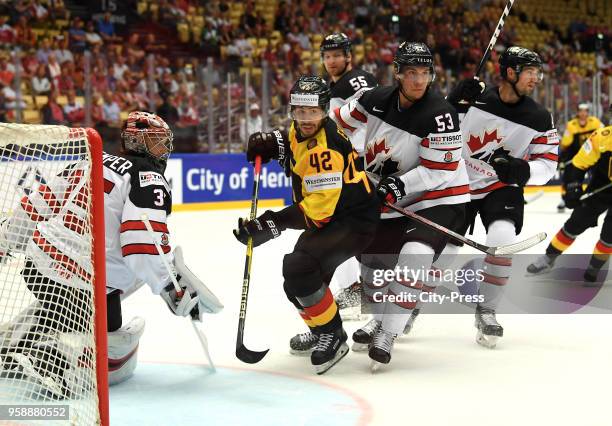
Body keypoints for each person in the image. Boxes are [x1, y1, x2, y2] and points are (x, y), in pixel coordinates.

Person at [0, 112, 222, 398]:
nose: (164, 150)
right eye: (157, 143)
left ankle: (11, 345)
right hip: (81, 280)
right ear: (138, 142)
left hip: (39, 264)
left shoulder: (91, 159)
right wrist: (172, 289)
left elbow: (39, 202)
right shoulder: (147, 177)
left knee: (71, 308)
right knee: (110, 336)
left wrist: (6, 240)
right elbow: (141, 247)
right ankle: (54, 358)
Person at [332, 42, 469, 369]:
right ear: (397, 73)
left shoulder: (441, 115)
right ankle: (378, 319)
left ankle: (388, 331)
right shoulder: (373, 98)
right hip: (389, 195)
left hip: (439, 196)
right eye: (411, 73)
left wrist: (399, 185)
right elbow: (338, 122)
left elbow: (439, 170)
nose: (419, 80)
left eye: (425, 73)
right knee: (371, 260)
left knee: (415, 255)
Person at [233, 76, 379, 374]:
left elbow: (318, 213)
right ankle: (320, 328)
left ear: (325, 110)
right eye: (299, 111)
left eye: (312, 112)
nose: (305, 118)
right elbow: (290, 143)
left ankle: (333, 334)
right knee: (298, 282)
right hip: (337, 214)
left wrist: (271, 224)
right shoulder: (300, 128)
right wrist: (270, 142)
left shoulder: (325, 149)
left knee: (299, 267)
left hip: (353, 219)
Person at [421, 46, 558, 349]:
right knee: (444, 250)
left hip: (501, 187)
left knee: (502, 238)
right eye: (530, 72)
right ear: (511, 73)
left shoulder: (539, 116)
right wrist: (451, 101)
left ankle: (488, 309)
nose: (537, 78)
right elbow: (435, 127)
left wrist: (521, 171)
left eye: (538, 72)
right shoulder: (475, 99)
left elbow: (548, 164)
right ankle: (411, 305)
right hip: (460, 182)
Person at [320, 32, 378, 318]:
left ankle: (360, 289)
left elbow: (371, 110)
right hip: (352, 162)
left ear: (348, 57)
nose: (331, 61)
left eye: (336, 55)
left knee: (341, 227)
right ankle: (358, 288)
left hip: (363, 162)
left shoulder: (355, 80)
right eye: (327, 56)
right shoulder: (335, 86)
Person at [527, 106, 611, 284]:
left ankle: (594, 268)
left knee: (609, 237)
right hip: (600, 188)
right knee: (574, 224)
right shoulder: (602, 137)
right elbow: (578, 165)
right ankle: (549, 258)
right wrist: (573, 187)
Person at [556, 103, 603, 212]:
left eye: (585, 111)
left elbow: (604, 136)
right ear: (577, 112)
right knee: (567, 176)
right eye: (581, 111)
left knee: (601, 173)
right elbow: (565, 144)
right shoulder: (571, 125)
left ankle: (599, 198)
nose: (583, 113)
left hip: (593, 155)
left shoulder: (595, 122)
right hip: (576, 157)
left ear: (588, 112)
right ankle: (564, 199)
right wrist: (562, 158)